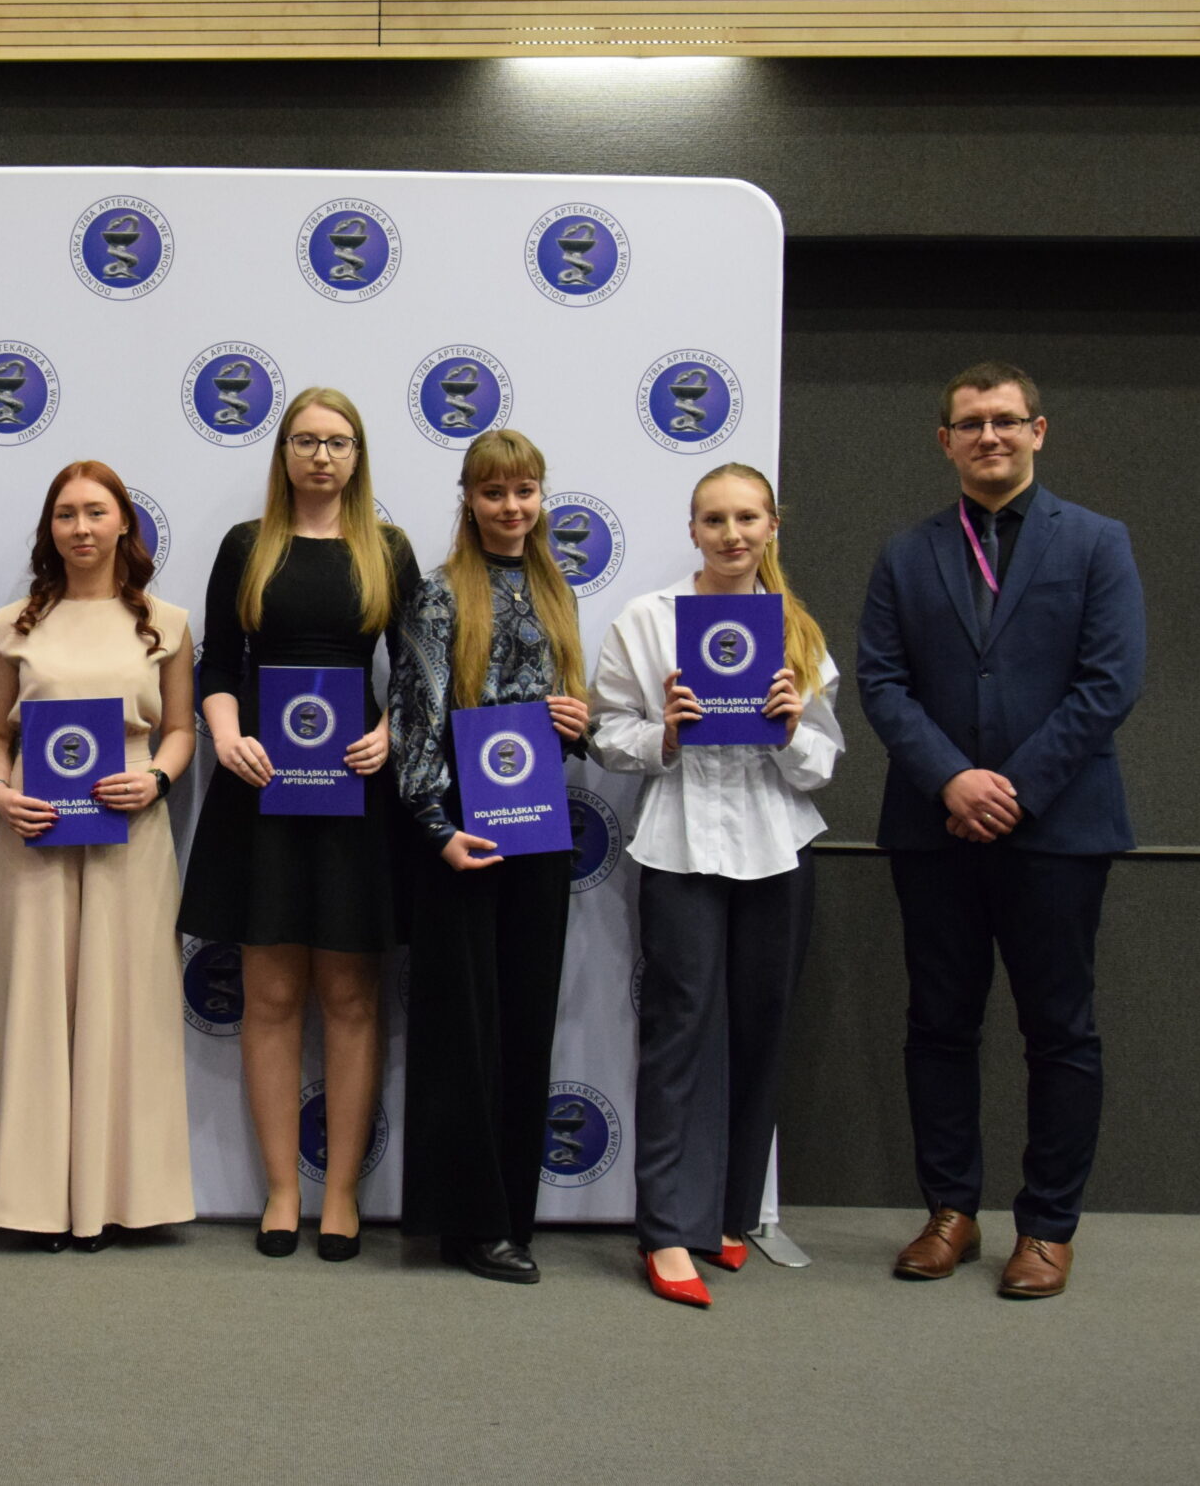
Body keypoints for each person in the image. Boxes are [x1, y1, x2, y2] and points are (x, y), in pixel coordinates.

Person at [858, 362, 1143, 1300]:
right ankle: (950, 1211)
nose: (990, 435)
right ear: (945, 440)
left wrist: (1012, 788)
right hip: (934, 826)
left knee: (1059, 1030)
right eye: (972, 423)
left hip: (1058, 829)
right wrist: (953, 778)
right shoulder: (907, 553)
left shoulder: (1097, 542)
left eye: (1007, 420)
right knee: (939, 1023)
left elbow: (1110, 680)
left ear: (1038, 431)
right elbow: (882, 682)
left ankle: (1047, 1226)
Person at [591, 463, 843, 1308]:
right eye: (715, 519)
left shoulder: (797, 630)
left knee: (761, 1028)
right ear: (693, 529)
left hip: (779, 845)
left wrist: (789, 729)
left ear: (772, 527)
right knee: (678, 1032)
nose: (732, 534)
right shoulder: (647, 620)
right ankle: (666, 1230)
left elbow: (824, 762)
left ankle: (730, 1215)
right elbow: (607, 734)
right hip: (682, 844)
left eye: (747, 518)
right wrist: (664, 733)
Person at [180, 388, 419, 1261]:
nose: (322, 454)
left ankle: (343, 1191)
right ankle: (283, 1190)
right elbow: (217, 661)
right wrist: (225, 733)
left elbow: (421, 672)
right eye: (306, 440)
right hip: (262, 787)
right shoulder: (246, 546)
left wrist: (392, 731)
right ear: (283, 452)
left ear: (358, 456)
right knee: (273, 994)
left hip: (356, 790)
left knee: (351, 996)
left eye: (338, 441)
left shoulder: (389, 550)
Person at [0, 461, 197, 1250]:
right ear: (49, 528)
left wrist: (157, 779)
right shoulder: (10, 625)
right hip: (34, 834)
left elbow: (182, 730)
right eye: (66, 514)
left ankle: (118, 1198)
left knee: (127, 1011)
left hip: (133, 838)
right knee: (34, 1009)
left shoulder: (168, 623)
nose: (81, 527)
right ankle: (32, 1201)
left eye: (96, 511)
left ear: (125, 521)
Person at [388, 427, 589, 1284]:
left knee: (525, 1019)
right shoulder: (439, 595)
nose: (512, 506)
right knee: (462, 1029)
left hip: (537, 821)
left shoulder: (556, 591)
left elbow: (562, 710)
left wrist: (576, 724)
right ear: (469, 501)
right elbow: (415, 714)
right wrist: (436, 827)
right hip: (463, 828)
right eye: (495, 492)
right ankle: (467, 1221)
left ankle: (512, 1214)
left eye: (525, 490)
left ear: (541, 497)